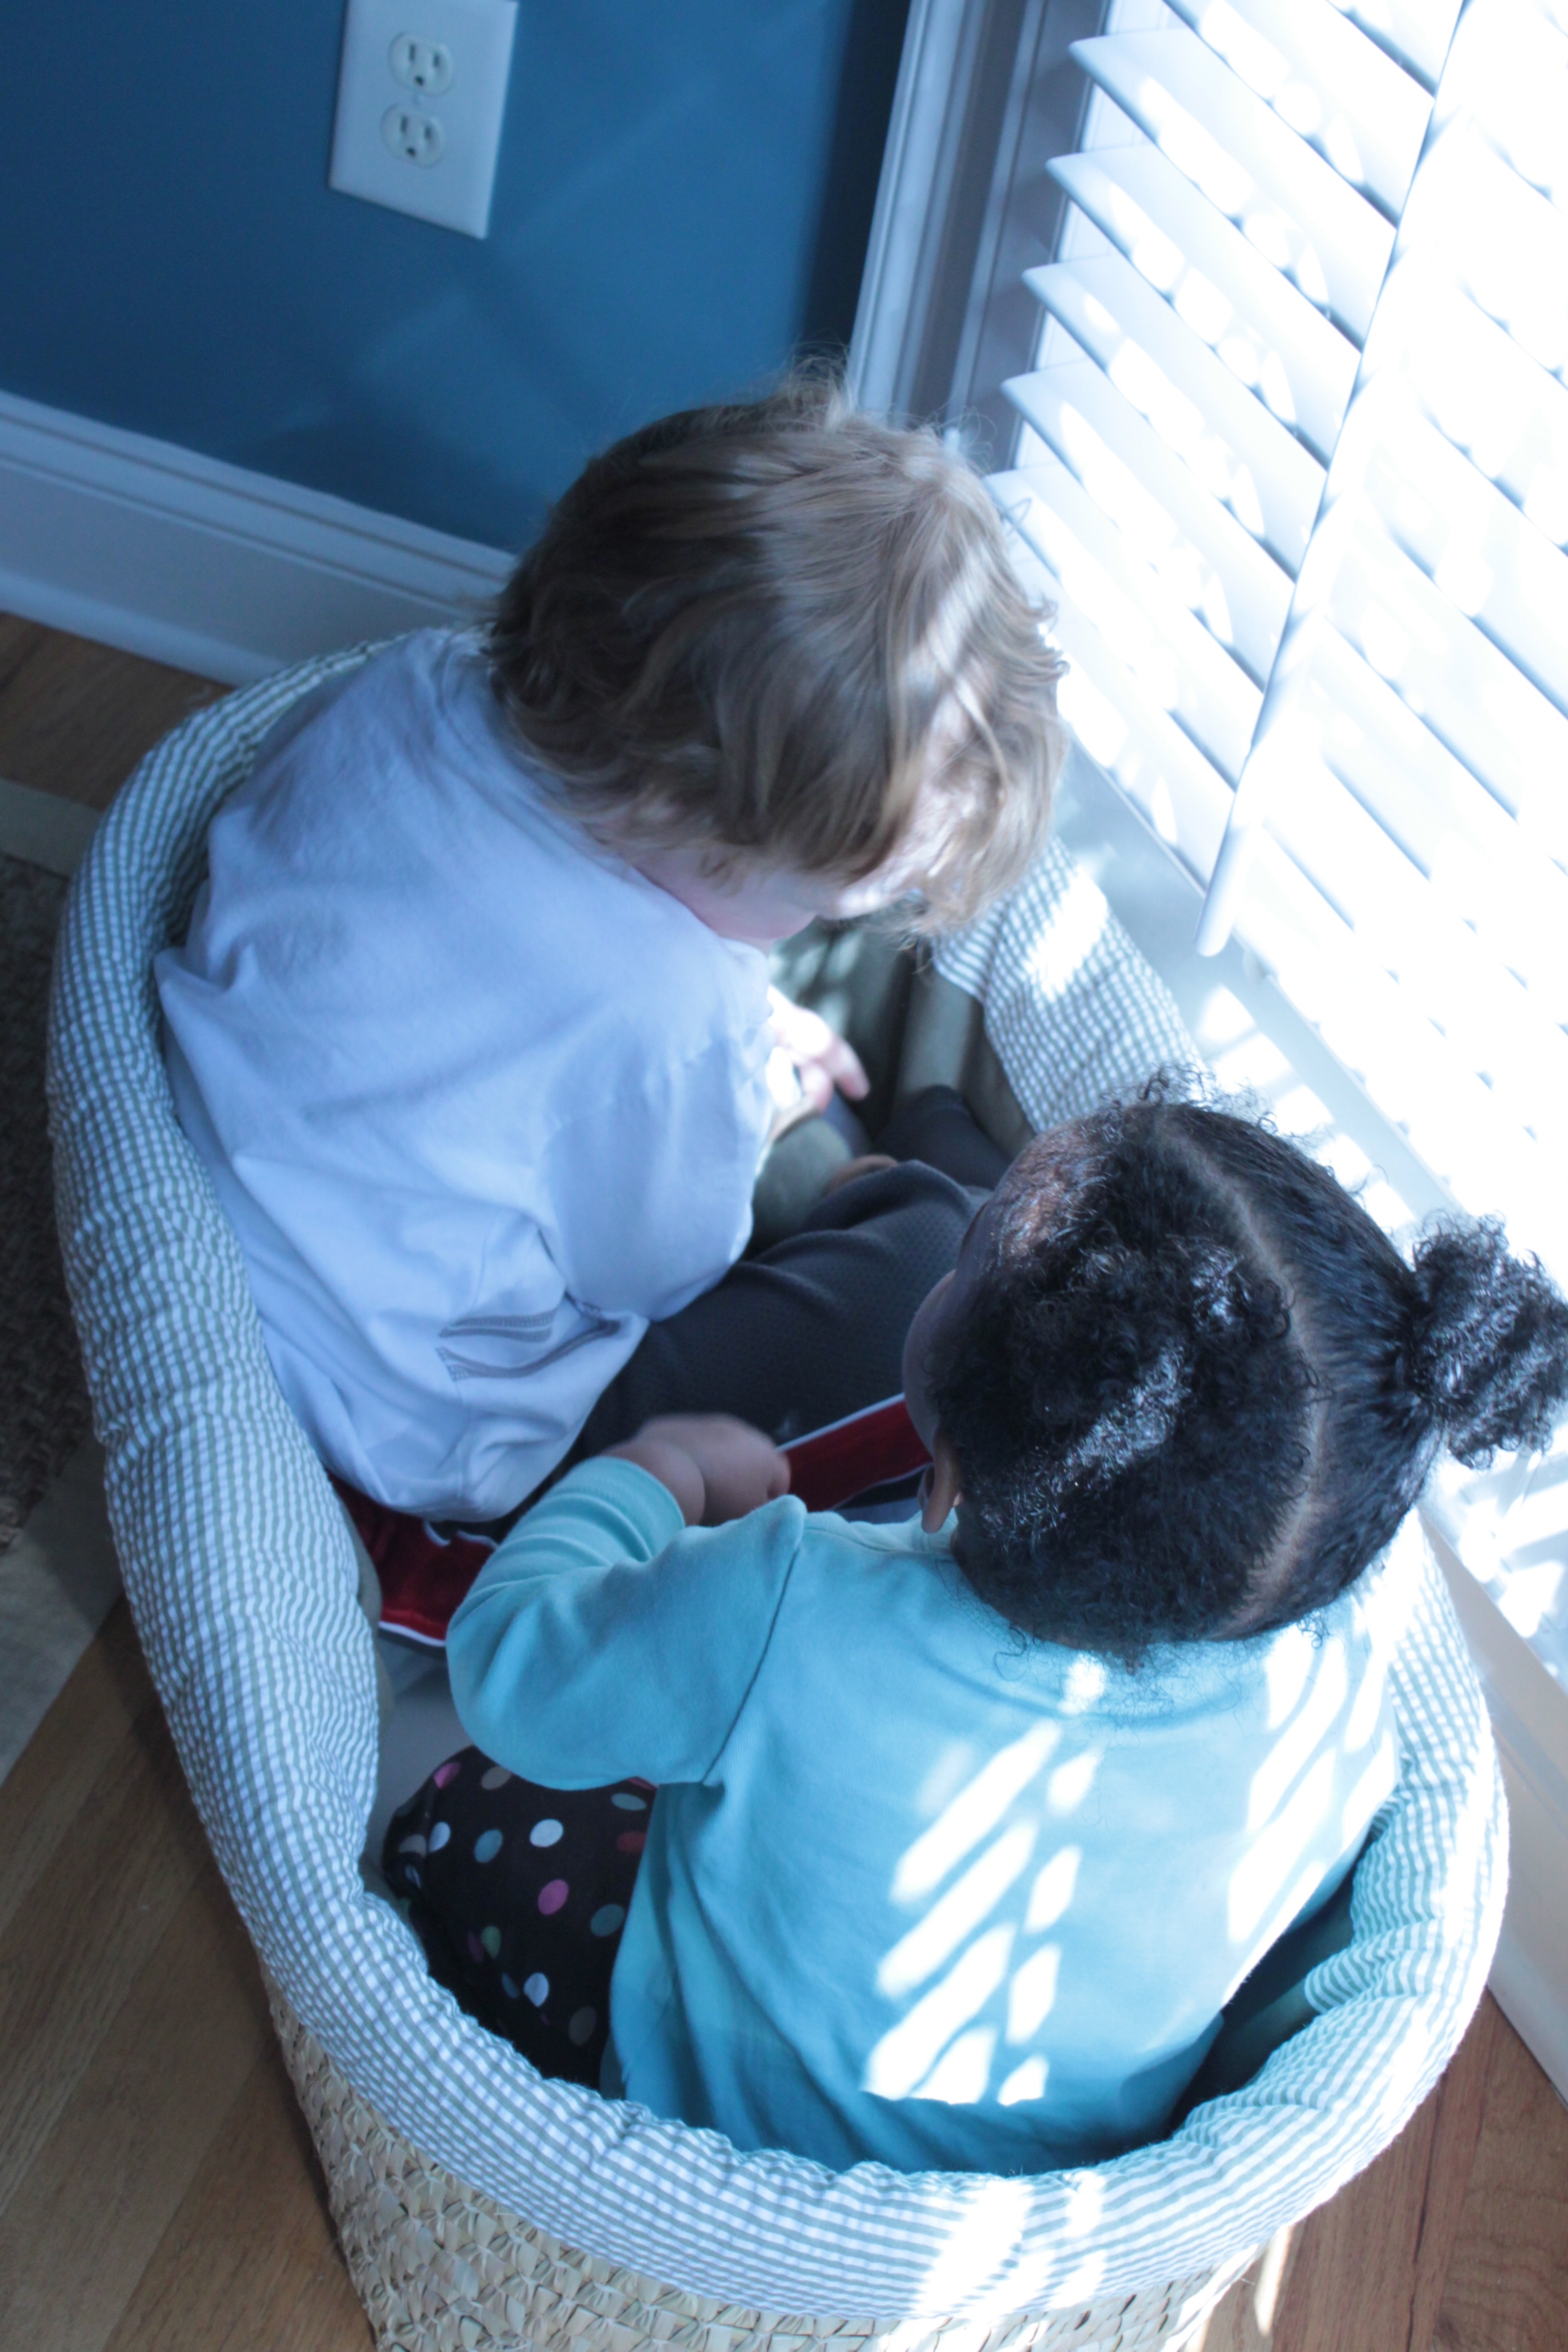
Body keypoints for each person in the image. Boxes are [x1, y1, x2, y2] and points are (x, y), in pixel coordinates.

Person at [385, 1094, 1568, 2174]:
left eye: (962, 1253)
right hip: (1036, 2192)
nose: (955, 1238)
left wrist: (652, 1475)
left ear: (943, 1475)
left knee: (478, 1807)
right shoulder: (1335, 1694)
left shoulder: (788, 1601)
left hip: (727, 2147)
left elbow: (507, 1664)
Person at [154, 377, 1065, 1523]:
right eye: (817, 899)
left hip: (283, 1244)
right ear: (671, 813)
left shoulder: (403, 687)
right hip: (433, 1434)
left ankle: (922, 1164)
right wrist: (748, 1106)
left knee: (925, 1205)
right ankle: (924, 1172)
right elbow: (663, 1271)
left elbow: (499, 998)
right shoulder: (668, 1020)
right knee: (929, 1268)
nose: (826, 925)